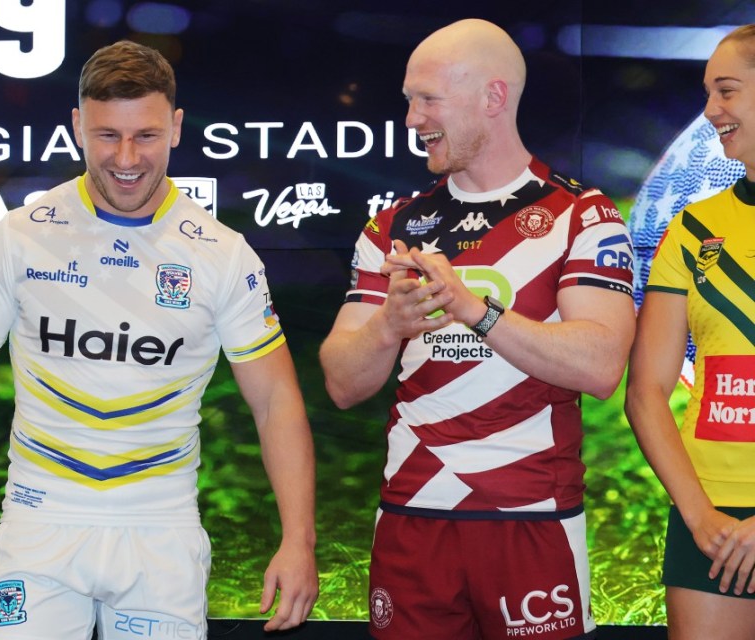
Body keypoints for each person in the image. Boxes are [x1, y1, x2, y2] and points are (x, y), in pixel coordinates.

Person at [0, 40, 318, 639]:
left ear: (177, 128)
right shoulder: (21, 236)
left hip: (160, 529)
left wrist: (299, 541)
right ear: (78, 126)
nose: (127, 157)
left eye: (147, 136)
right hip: (39, 521)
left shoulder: (222, 254)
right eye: (108, 135)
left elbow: (276, 402)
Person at [319, 19, 635, 640]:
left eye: (427, 98)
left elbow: (600, 366)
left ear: (492, 98)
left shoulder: (582, 215)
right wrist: (389, 325)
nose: (411, 119)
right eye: (409, 100)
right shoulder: (393, 226)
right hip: (412, 513)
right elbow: (341, 383)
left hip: (530, 515)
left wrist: (475, 309)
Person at [625, 25, 755, 640]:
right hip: (711, 515)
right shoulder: (692, 227)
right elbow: (646, 390)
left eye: (726, 91)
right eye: (707, 93)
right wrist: (699, 515)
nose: (709, 112)